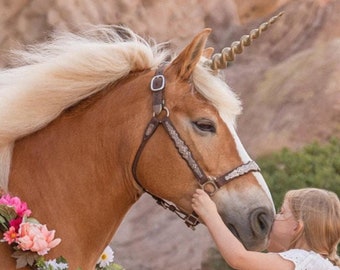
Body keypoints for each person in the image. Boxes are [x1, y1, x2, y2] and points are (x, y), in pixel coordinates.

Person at [192, 188, 340, 270]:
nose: (274, 217)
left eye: (282, 212)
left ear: (297, 227)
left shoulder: (303, 260)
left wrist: (210, 214)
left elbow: (238, 258)